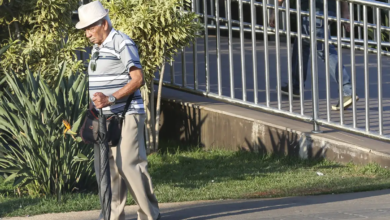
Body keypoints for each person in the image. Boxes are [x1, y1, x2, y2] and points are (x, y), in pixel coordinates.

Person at [75, 1, 161, 220]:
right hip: (104, 118)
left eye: (90, 28)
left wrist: (110, 98)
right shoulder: (97, 47)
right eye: (85, 29)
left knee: (129, 165)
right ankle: (112, 217)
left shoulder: (122, 42)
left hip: (128, 113)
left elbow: (138, 78)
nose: (87, 34)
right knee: (108, 170)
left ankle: (151, 215)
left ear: (104, 23)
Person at [269, 0, 358, 110]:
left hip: (314, 11)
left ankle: (347, 91)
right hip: (325, 9)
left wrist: (275, 10)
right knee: (302, 44)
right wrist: (345, 11)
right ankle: (295, 86)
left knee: (325, 51)